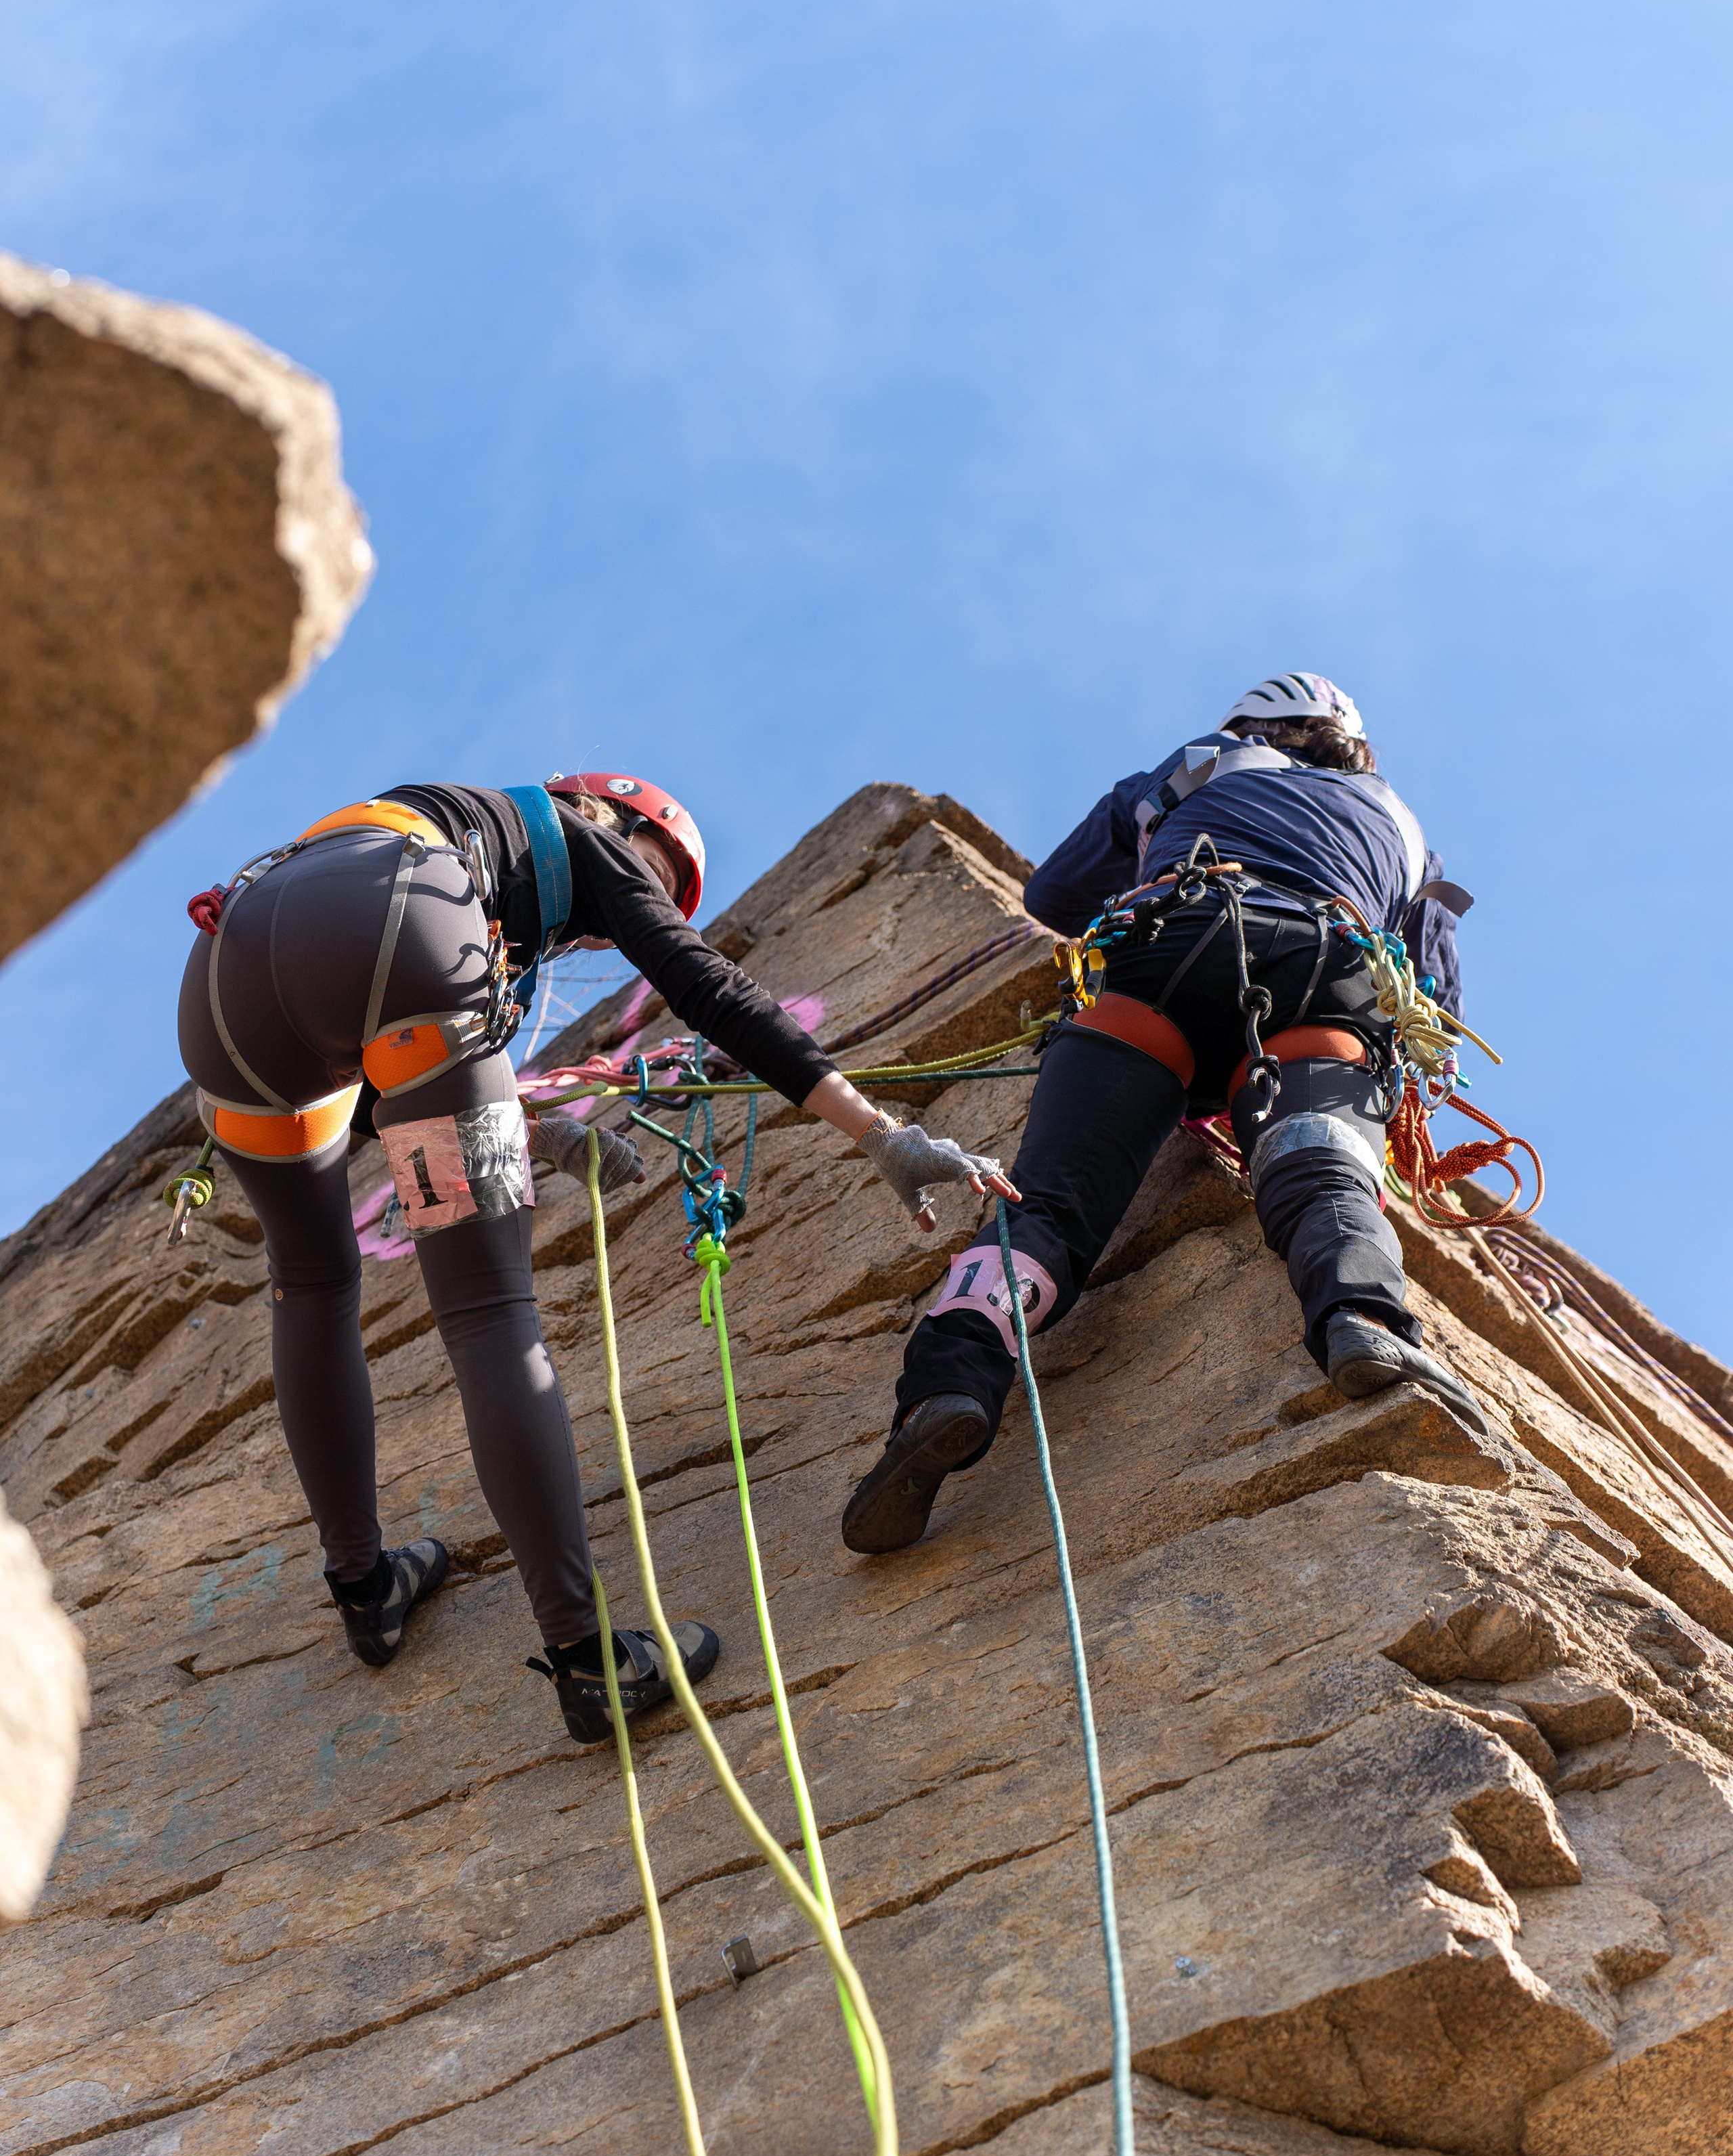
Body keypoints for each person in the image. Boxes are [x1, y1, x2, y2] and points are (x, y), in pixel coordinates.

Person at [179, 770, 1012, 1741]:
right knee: (488, 1311)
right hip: (402, 931)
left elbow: (385, 1099)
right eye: (651, 878)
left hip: (225, 998)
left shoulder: (457, 827)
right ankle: (588, 1660)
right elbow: (704, 985)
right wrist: (876, 1132)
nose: (619, 925)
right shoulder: (578, 836)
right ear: (614, 817)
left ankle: (365, 1586)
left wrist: (524, 1129)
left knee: (312, 1283)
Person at [841, 673, 1489, 1556]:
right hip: (1322, 967)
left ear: (1253, 724)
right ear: (1352, 746)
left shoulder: (1198, 762)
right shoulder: (1409, 833)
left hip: (1159, 951)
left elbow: (1054, 898)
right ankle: (1362, 1320)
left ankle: (947, 1388)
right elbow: (1435, 1007)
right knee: (1324, 1158)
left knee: (1050, 1206)